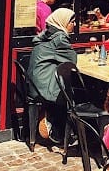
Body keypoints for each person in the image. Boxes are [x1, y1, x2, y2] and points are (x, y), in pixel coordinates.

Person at [27, 8, 77, 144]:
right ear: (63, 22)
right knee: (76, 93)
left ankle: (50, 117)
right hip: (43, 86)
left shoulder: (48, 34)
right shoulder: (60, 38)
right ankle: (59, 129)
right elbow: (72, 61)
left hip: (34, 82)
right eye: (72, 21)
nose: (75, 24)